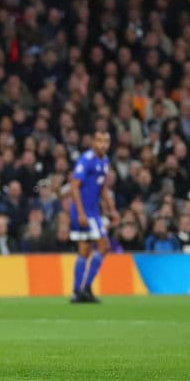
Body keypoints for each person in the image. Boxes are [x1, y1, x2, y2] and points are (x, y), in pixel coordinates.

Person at [70, 130, 114, 303]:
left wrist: (111, 208)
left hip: (93, 211)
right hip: (84, 211)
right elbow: (74, 186)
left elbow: (102, 187)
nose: (103, 144)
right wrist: (80, 213)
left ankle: (81, 290)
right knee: (101, 245)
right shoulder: (86, 160)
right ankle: (81, 289)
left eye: (106, 141)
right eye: (100, 140)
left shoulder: (105, 161)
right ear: (93, 142)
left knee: (90, 249)